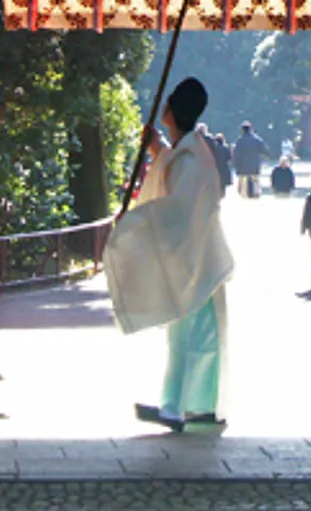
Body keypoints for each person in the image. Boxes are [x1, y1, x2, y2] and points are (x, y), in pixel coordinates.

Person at [102, 78, 233, 433]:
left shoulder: (190, 155)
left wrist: (135, 221)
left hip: (196, 259)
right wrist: (157, 149)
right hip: (196, 257)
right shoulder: (188, 150)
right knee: (185, 336)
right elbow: (173, 173)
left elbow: (179, 208)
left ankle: (190, 407)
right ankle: (179, 405)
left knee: (194, 336)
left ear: (170, 111)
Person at [232, 121, 270, 198]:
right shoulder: (256, 139)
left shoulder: (240, 141)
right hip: (254, 165)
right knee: (255, 182)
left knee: (243, 185)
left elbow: (236, 155)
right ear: (251, 129)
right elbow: (265, 150)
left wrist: (236, 166)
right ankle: (256, 194)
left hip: (243, 167)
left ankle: (244, 196)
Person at [207, 129, 233, 194]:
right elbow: (229, 157)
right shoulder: (226, 148)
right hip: (224, 167)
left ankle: (218, 193)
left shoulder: (214, 149)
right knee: (223, 182)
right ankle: (223, 193)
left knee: (217, 181)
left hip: (216, 167)